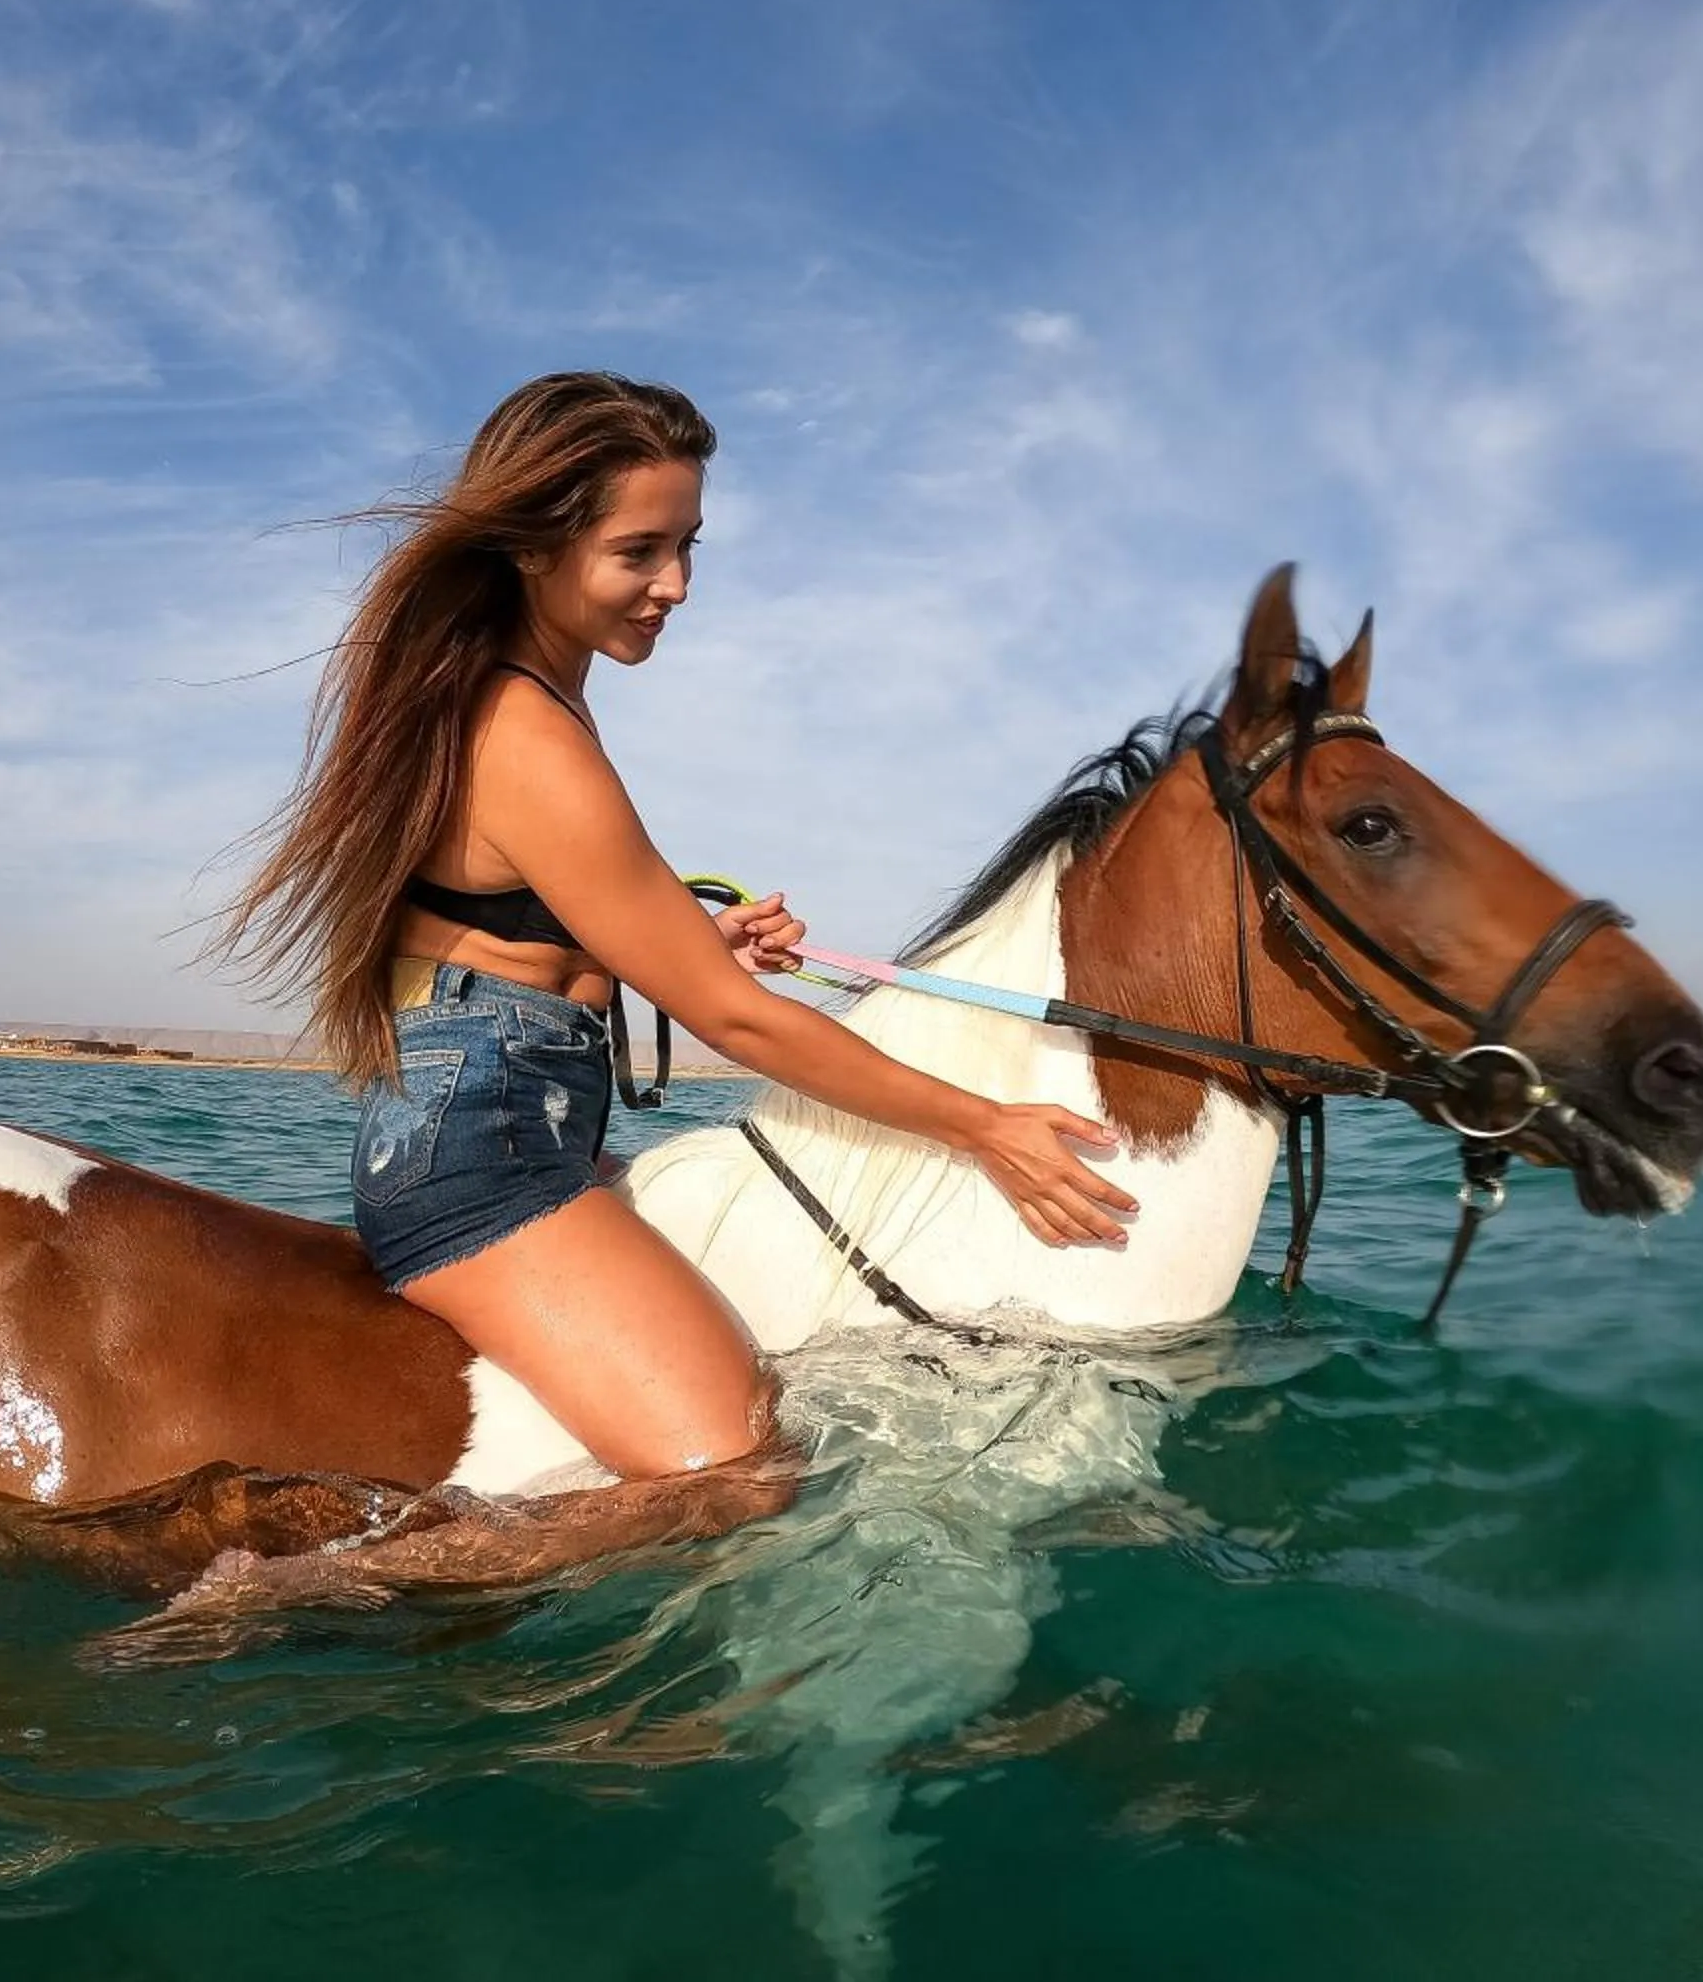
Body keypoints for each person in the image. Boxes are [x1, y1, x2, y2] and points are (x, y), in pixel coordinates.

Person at [216, 372, 1136, 1487]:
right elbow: (739, 1026)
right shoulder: (526, 733)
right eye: (640, 552)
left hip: (514, 1127)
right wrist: (986, 1125)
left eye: (689, 546)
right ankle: (287, 1597)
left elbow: (539, 944)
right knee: (739, 1472)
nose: (678, 585)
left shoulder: (530, 703)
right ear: (531, 547)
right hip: (487, 1159)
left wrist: (705, 949)